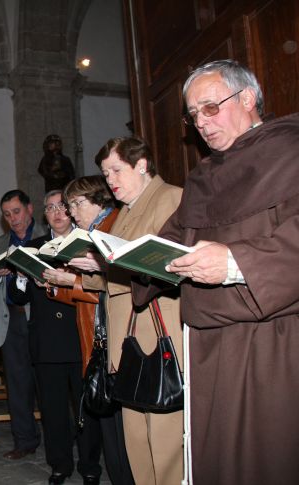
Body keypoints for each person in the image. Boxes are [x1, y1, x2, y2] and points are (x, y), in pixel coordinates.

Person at [148, 59, 299, 484]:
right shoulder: (202, 177)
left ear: (248, 98)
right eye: (193, 115)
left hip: (273, 340)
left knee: (267, 458)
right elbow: (169, 243)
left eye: (210, 108)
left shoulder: (291, 150)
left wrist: (235, 262)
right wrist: (116, 260)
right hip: (207, 343)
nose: (201, 122)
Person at [69, 139, 183, 484]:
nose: (110, 180)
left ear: (142, 165)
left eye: (116, 170)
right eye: (106, 174)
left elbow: (170, 268)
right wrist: (93, 270)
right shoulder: (125, 213)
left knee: (164, 442)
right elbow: (115, 280)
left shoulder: (170, 199)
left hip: (155, 333)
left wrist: (109, 266)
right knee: (135, 439)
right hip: (126, 340)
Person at [43, 177, 134, 485]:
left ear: (98, 201)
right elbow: (90, 290)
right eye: (69, 205)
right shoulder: (91, 232)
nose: (71, 212)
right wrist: (58, 287)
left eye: (76, 204)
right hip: (96, 335)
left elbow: (116, 285)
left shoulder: (113, 228)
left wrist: (72, 282)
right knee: (108, 420)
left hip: (115, 334)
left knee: (120, 425)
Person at [9, 189, 102, 485]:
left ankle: (90, 465)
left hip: (80, 337)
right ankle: (59, 464)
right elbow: (14, 296)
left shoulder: (89, 244)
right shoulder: (33, 246)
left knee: (87, 407)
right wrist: (23, 276)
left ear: (72, 210)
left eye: (62, 206)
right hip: (46, 341)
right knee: (52, 410)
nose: (57, 212)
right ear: (43, 214)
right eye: (50, 208)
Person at [0, 189, 47, 459]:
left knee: (49, 382)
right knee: (17, 383)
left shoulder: (46, 238)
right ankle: (24, 440)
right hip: (11, 318)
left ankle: (61, 438)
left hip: (42, 318)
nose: (13, 218)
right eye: (7, 214)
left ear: (29, 209)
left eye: (17, 211)